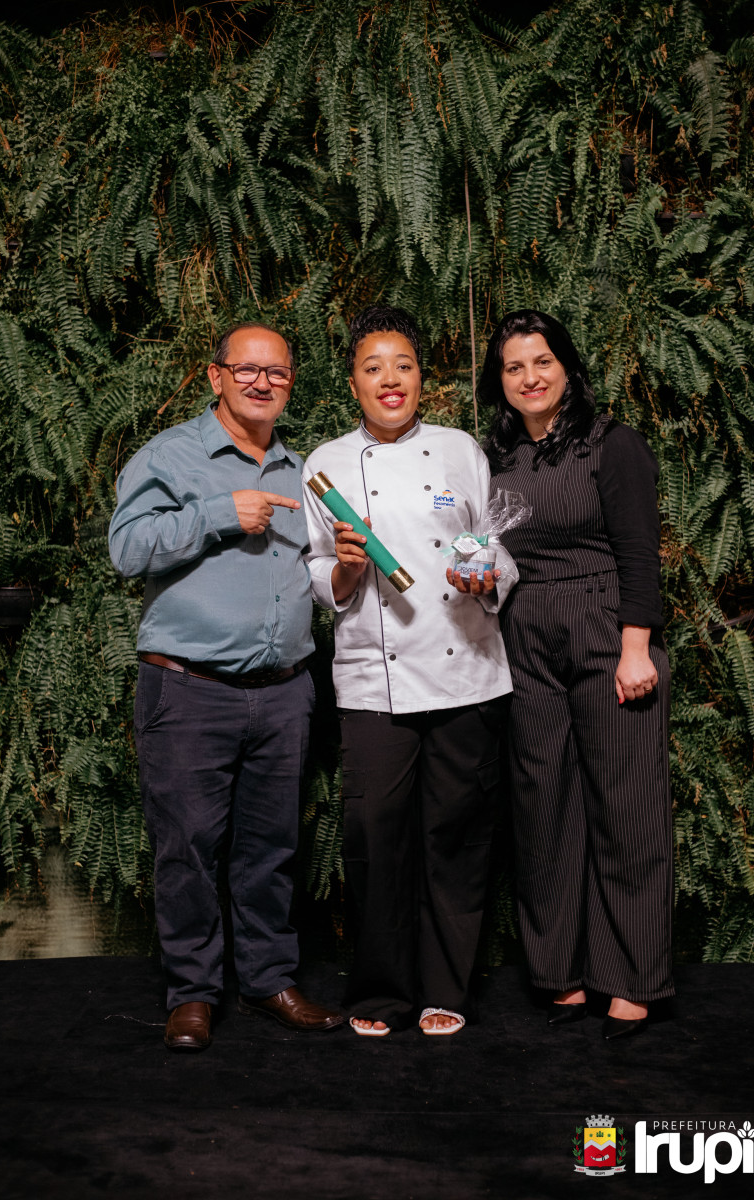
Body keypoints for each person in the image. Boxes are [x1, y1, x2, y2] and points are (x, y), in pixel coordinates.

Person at [108, 322, 344, 1051]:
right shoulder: (170, 455)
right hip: (189, 691)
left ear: (291, 383)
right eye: (246, 369)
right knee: (186, 848)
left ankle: (269, 979)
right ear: (216, 376)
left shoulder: (302, 471)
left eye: (277, 372)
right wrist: (217, 514)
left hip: (284, 693)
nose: (261, 382)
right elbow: (126, 548)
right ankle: (192, 993)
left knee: (271, 849)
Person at [303, 305, 516, 1037]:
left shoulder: (460, 449)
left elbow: (491, 544)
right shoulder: (324, 464)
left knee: (456, 836)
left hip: (467, 669)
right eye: (373, 367)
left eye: (404, 365)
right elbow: (315, 572)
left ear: (423, 377)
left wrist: (487, 575)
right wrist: (344, 568)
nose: (390, 379)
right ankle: (380, 995)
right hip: (374, 677)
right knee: (375, 836)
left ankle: (445, 991)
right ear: (353, 383)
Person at [478, 309, 673, 1040]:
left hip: (605, 629)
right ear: (499, 381)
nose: (530, 378)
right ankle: (559, 971)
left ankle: (631, 979)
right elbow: (480, 546)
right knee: (544, 806)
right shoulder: (495, 456)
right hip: (523, 635)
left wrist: (635, 647)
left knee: (626, 810)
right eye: (514, 367)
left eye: (543, 362)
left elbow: (640, 552)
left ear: (567, 367)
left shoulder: (611, 443)